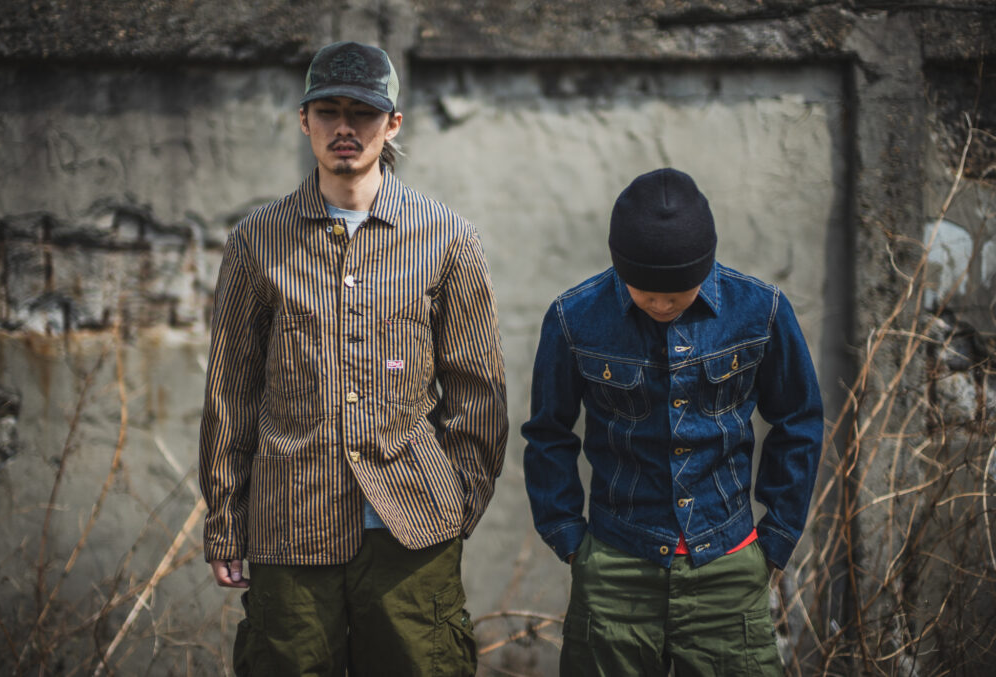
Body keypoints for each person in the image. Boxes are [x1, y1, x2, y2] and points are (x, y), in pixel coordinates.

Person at [199, 40, 508, 676]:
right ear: (304, 120)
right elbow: (231, 391)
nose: (345, 128)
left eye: (363, 112)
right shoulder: (258, 241)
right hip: (290, 526)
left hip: (410, 529)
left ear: (392, 123)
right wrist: (227, 521)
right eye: (329, 111)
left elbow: (478, 388)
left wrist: (457, 501)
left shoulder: (447, 238)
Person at [522, 168, 823, 676]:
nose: (661, 304)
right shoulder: (575, 318)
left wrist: (776, 539)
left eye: (678, 293)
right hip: (616, 565)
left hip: (728, 563)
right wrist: (569, 539)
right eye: (645, 292)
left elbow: (799, 420)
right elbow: (548, 432)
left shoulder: (761, 311)